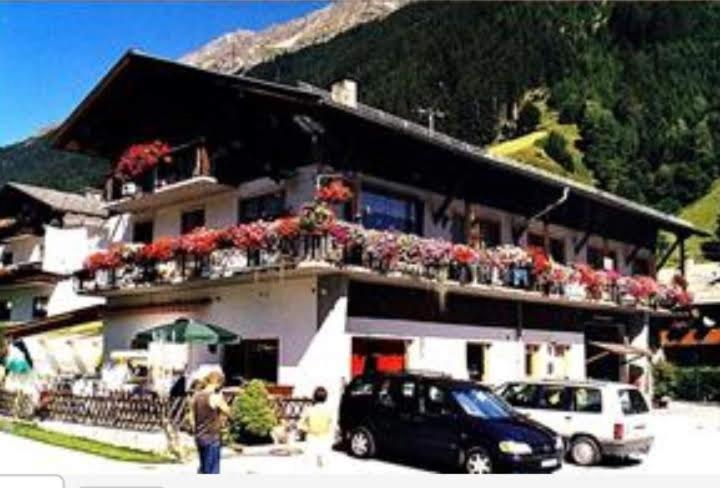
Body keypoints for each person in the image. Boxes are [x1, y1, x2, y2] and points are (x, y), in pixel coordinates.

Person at [190, 371, 231, 474]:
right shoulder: (215, 397)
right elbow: (229, 412)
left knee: (203, 469)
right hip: (212, 437)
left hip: (199, 436)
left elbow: (191, 418)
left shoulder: (196, 396)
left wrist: (195, 431)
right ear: (218, 383)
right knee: (212, 471)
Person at [299, 386, 334, 469]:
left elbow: (300, 425)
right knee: (324, 467)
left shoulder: (308, 410)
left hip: (311, 439)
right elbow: (332, 426)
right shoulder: (330, 410)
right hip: (325, 440)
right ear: (326, 398)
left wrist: (309, 430)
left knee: (311, 466)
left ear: (314, 397)